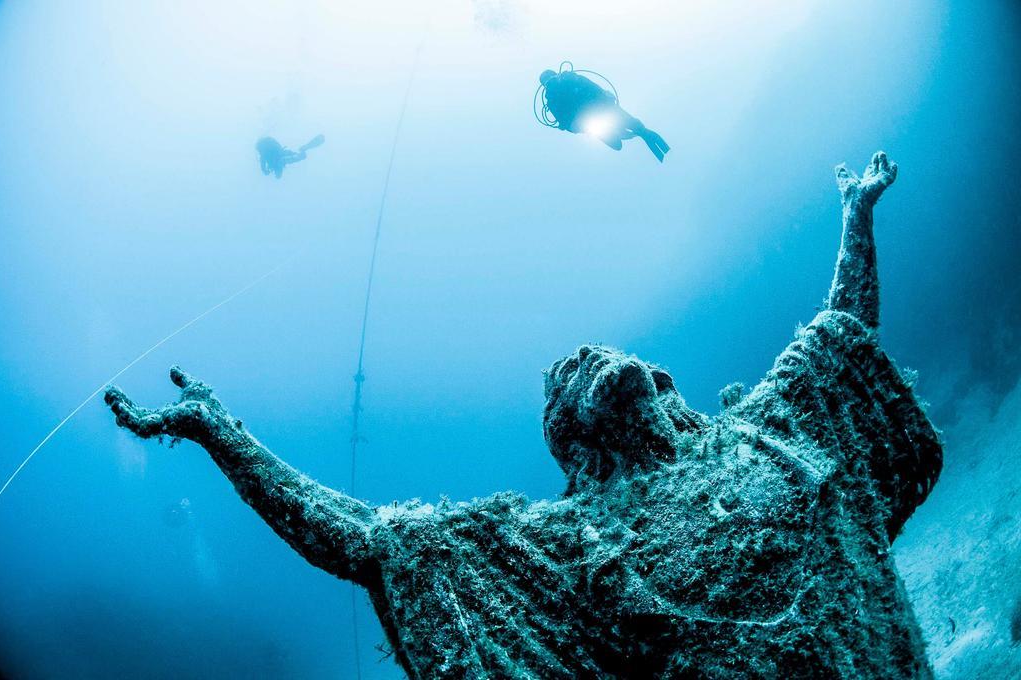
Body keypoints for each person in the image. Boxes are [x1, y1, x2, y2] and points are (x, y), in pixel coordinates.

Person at [105, 152, 940, 678]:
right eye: (563, 377)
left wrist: (854, 216)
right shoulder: (567, 547)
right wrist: (221, 432)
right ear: (567, 438)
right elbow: (381, 541)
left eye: (589, 352)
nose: (578, 359)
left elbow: (839, 335)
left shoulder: (763, 431)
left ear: (658, 379)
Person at [539, 68, 670, 162]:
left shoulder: (556, 94)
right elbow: (594, 87)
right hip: (598, 113)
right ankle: (645, 136)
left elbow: (565, 123)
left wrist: (574, 127)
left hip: (598, 112)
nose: (551, 82)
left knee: (626, 136)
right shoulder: (559, 91)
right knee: (633, 131)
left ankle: (648, 138)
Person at [255, 134, 325, 178]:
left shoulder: (266, 156)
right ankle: (302, 150)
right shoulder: (266, 154)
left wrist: (264, 170)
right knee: (293, 156)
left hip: (280, 157)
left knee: (290, 159)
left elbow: (263, 162)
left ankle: (301, 152)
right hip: (281, 152)